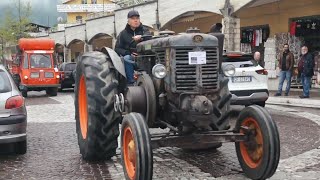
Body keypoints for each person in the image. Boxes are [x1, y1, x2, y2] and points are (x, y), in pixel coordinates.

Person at [115, 10, 149, 84]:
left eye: (137, 18)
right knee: (126, 58)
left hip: (145, 56)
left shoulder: (145, 30)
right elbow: (117, 49)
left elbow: (150, 39)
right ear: (128, 21)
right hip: (132, 58)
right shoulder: (123, 34)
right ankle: (131, 82)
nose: (136, 20)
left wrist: (142, 37)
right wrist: (128, 53)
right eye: (133, 18)